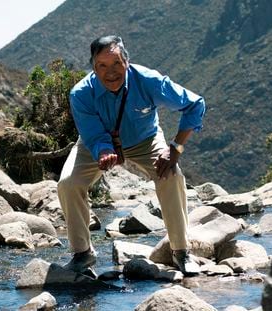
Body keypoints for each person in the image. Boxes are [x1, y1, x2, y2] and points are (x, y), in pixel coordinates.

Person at [58, 35, 206, 276]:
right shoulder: (80, 94)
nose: (111, 72)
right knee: (68, 184)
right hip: (96, 144)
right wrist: (104, 151)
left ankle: (181, 251)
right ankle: (82, 253)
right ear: (94, 68)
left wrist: (175, 148)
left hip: (145, 140)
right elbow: (93, 135)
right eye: (102, 66)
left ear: (127, 62)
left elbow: (194, 104)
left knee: (171, 175)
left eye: (116, 63)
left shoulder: (148, 80)